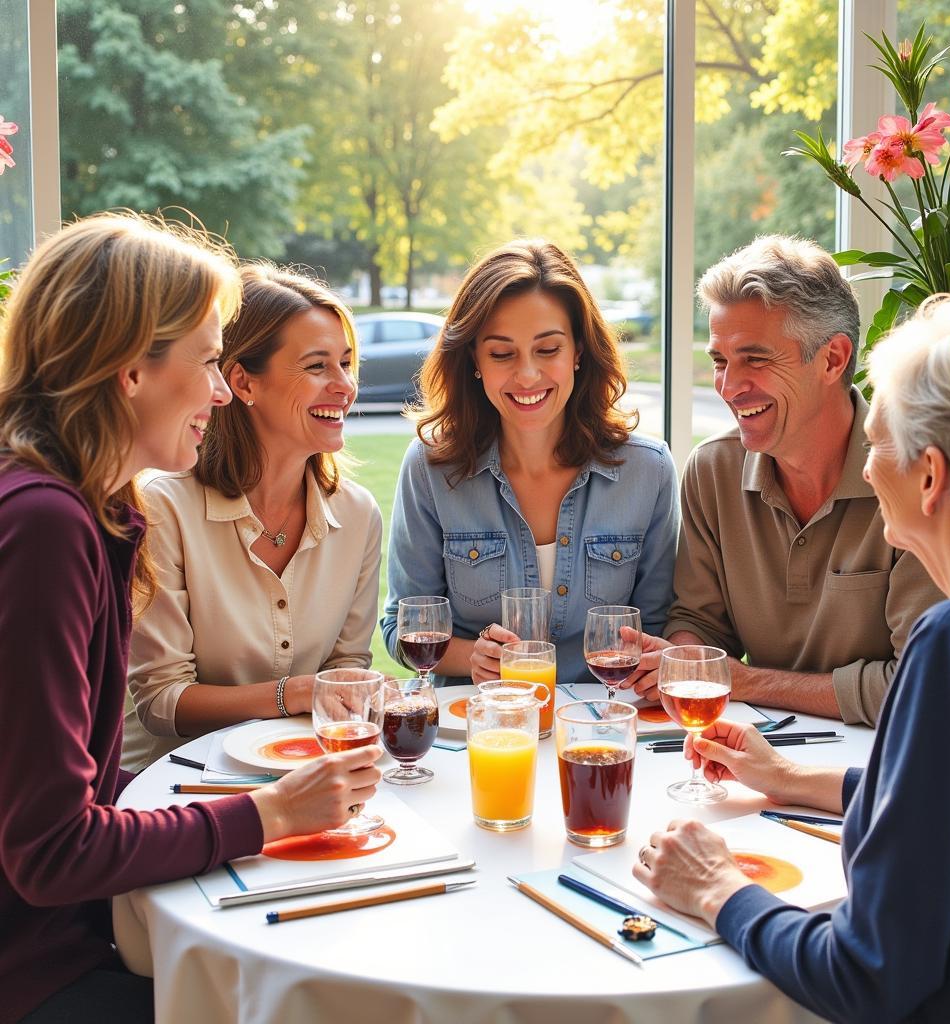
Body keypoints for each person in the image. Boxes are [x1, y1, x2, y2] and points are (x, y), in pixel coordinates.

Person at [0, 214, 381, 1023]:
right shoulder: (44, 524)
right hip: (38, 962)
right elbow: (50, 851)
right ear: (132, 370)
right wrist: (269, 814)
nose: (219, 389)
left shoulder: (88, 511)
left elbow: (77, 796)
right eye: (210, 362)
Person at [634, 296, 950, 1022]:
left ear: (930, 476)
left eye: (877, 444)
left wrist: (716, 889)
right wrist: (786, 775)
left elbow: (869, 974)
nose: (869, 472)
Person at [628, 235, 940, 724]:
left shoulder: (911, 478)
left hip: (885, 759)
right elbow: (700, 622)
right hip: (758, 750)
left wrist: (744, 680)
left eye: (755, 359)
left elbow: (918, 686)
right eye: (718, 361)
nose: (729, 387)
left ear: (833, 360)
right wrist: (684, 657)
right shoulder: (713, 472)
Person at [381, 239, 680, 685]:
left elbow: (657, 628)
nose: (526, 375)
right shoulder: (430, 467)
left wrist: (660, 663)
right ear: (475, 361)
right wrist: (473, 658)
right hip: (472, 728)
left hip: (598, 727)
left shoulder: (648, 470)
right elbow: (400, 629)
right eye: (502, 353)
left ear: (578, 351)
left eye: (548, 349)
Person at [122, 264, 382, 771]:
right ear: (242, 382)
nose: (344, 386)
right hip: (168, 787)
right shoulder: (164, 508)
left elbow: (348, 668)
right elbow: (161, 702)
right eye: (317, 367)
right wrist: (294, 695)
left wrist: (348, 692)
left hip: (298, 772)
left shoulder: (357, 514)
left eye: (347, 364)